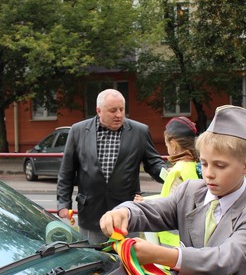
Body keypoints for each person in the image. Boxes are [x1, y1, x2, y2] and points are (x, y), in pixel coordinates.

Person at [99, 105, 246, 275]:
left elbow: (224, 259)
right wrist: (124, 212)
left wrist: (160, 254)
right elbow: (154, 210)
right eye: (204, 163)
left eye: (220, 166)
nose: (208, 174)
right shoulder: (190, 191)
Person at [56, 89, 166, 244]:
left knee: (127, 262)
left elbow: (154, 163)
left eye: (122, 109)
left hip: (126, 214)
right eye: (113, 110)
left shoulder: (140, 131)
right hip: (91, 212)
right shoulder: (78, 131)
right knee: (94, 262)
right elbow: (66, 171)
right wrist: (63, 203)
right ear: (99, 111)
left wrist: (169, 175)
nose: (119, 115)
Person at [135, 115, 201, 246]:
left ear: (173, 144)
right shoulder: (197, 166)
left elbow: (171, 206)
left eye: (166, 144)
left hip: (174, 242)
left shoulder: (177, 171)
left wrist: (146, 205)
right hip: (192, 237)